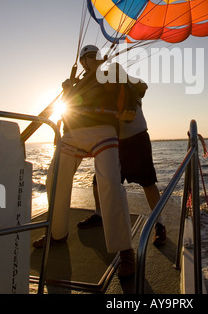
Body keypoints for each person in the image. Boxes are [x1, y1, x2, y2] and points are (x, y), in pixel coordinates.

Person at [33, 45, 136, 278]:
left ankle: (125, 249)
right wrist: (68, 90)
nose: (91, 60)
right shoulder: (75, 83)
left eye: (94, 56)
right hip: (73, 133)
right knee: (54, 179)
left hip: (103, 130)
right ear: (81, 62)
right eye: (87, 58)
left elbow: (126, 89)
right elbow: (66, 109)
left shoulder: (111, 74)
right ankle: (57, 232)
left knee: (109, 181)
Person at [77, 76, 167, 247]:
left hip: (137, 138)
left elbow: (144, 86)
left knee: (147, 182)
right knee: (99, 180)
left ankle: (159, 223)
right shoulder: (103, 91)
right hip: (113, 140)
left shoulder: (131, 88)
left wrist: (124, 77)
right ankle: (99, 215)